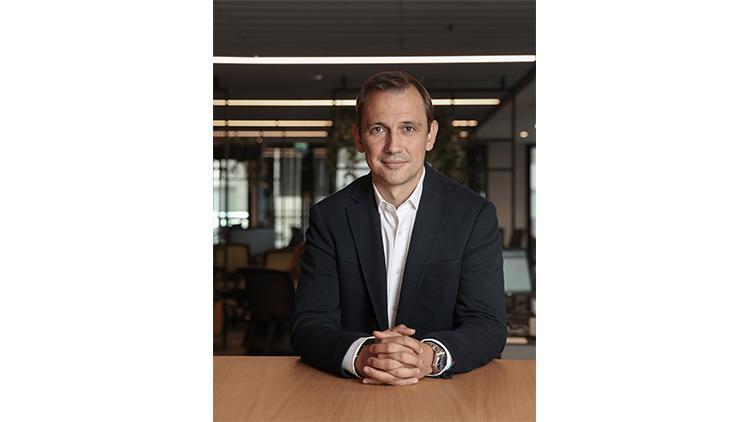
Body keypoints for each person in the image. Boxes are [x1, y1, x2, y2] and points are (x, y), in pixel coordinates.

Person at [292, 70, 506, 386]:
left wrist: (429, 356)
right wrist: (364, 354)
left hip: (443, 395)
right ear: (358, 137)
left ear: (430, 135)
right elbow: (308, 324)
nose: (394, 146)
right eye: (378, 129)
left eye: (408, 128)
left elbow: (488, 324)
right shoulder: (330, 218)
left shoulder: (474, 215)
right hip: (350, 394)